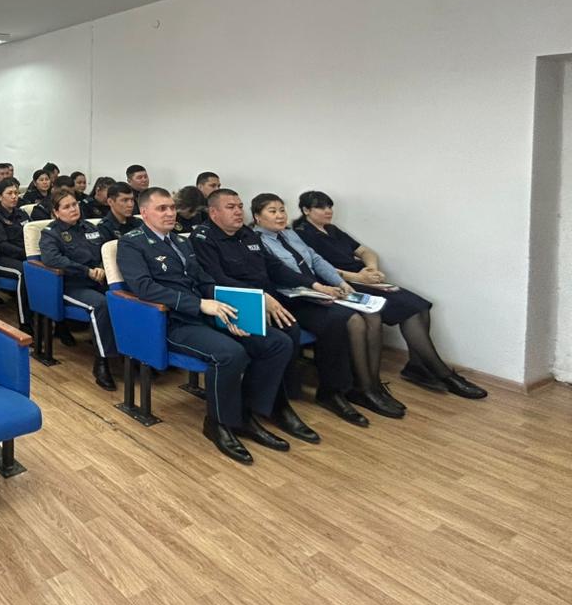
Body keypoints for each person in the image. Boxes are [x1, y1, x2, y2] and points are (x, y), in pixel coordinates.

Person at [117, 188, 295, 464]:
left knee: (277, 343)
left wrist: (228, 309)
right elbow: (144, 288)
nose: (170, 213)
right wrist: (200, 305)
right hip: (170, 320)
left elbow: (203, 280)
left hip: (205, 312)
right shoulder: (132, 243)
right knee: (230, 354)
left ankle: (246, 413)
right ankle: (218, 423)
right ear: (145, 213)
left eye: (172, 207)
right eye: (162, 208)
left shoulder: (181, 241)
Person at [190, 190, 355, 431]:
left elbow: (275, 267)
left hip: (265, 299)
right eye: (230, 207)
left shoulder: (246, 234)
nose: (238, 211)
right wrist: (259, 298)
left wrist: (315, 285)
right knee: (282, 336)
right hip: (235, 304)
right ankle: (272, 404)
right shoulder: (203, 238)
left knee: (291, 326)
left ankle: (279, 399)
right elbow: (217, 280)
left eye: (240, 206)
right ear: (214, 213)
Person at [294, 191, 485, 399]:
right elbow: (318, 268)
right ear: (306, 210)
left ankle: (417, 366)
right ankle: (442, 373)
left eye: (329, 206)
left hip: (363, 278)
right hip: (344, 283)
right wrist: (359, 277)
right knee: (408, 309)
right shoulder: (302, 234)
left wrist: (371, 269)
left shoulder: (332, 229)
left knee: (419, 306)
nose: (328, 211)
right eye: (321, 207)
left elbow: (365, 252)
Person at [251, 194, 406, 419]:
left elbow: (316, 260)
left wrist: (340, 283)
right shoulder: (256, 241)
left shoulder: (290, 234)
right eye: (272, 211)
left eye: (282, 210)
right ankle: (336, 390)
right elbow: (280, 275)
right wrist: (319, 288)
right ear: (257, 217)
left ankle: (370, 384)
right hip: (292, 299)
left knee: (372, 315)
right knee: (350, 320)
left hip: (318, 291)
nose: (280, 215)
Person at [39, 189, 117, 390]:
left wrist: (101, 266)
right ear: (56, 212)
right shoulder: (50, 233)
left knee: (125, 299)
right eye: (66, 207)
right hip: (71, 285)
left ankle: (134, 355)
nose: (73, 209)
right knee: (100, 305)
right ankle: (102, 362)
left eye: (74, 204)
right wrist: (86, 271)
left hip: (99, 280)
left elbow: (105, 251)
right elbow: (52, 259)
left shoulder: (90, 227)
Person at [0, 179, 31, 332]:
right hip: (2, 258)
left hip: (24, 255)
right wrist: (25, 254)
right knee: (24, 272)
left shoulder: (22, 213)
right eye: (9, 193)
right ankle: (25, 323)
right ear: (0, 196)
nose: (14, 196)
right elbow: (2, 245)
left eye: (16, 193)